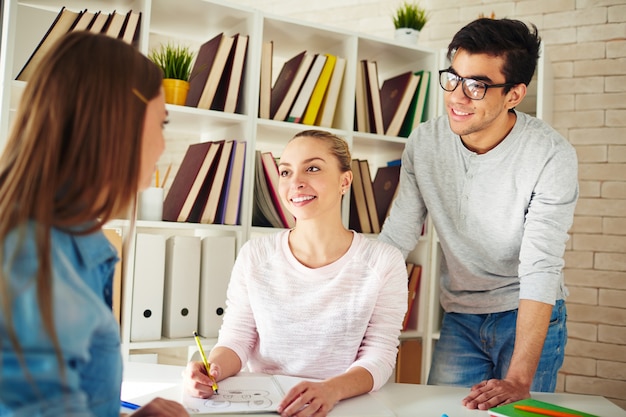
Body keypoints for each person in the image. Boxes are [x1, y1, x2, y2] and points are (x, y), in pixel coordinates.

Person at [378, 18, 578, 410]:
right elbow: (398, 235)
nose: (457, 96)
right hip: (461, 316)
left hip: (528, 312)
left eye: (477, 86)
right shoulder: (426, 141)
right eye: (453, 77)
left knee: (516, 413)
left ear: (514, 95)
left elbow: (540, 265)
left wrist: (519, 379)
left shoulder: (551, 155)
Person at [0, 32, 188, 416]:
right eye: (162, 123)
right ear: (121, 119)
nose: (163, 146)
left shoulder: (69, 239)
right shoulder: (32, 259)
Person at [183, 130, 407, 417]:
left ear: (344, 181)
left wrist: (331, 390)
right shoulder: (256, 255)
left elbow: (380, 355)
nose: (296, 183)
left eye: (312, 168)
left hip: (342, 405)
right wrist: (211, 369)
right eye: (286, 172)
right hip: (264, 405)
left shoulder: (382, 262)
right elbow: (237, 340)